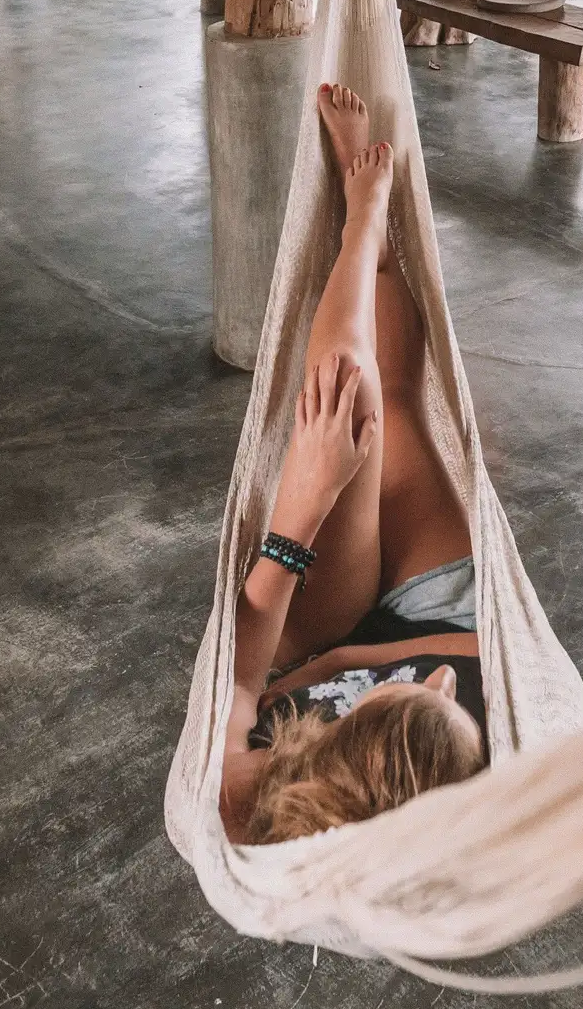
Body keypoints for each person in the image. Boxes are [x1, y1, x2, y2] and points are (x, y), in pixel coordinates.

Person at [221, 83, 488, 845]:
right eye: (452, 700)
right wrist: (366, 659)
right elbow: (487, 651)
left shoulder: (247, 794)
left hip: (298, 633)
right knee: (392, 402)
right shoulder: (472, 766)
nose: (441, 684)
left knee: (340, 397)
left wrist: (303, 501)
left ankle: (361, 218)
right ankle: (365, 211)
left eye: (422, 697)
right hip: (447, 609)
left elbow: (241, 678)